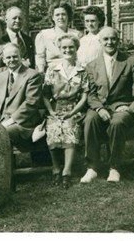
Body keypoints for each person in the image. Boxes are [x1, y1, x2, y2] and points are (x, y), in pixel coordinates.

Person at [80, 27, 134, 183]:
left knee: (117, 122)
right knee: (89, 120)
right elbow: (91, 94)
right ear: (100, 42)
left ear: (118, 41)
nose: (110, 42)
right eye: (105, 39)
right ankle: (92, 167)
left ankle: (115, 167)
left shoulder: (129, 60)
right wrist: (99, 108)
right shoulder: (92, 65)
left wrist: (132, 107)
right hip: (99, 106)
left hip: (122, 106)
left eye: (113, 39)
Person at [42, 34, 88, 189]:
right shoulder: (52, 69)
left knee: (69, 126)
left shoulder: (82, 70)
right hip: (55, 109)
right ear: (60, 50)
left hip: (74, 109)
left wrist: (73, 111)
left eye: (71, 47)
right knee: (53, 128)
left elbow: (84, 96)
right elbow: (46, 95)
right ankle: (56, 168)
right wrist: (51, 111)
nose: (68, 50)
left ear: (76, 48)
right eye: (64, 47)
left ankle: (66, 172)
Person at [0, 43, 44, 152]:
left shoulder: (32, 75)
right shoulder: (0, 77)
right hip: (1, 120)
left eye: (15, 56)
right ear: (4, 59)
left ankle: (9, 167)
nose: (12, 59)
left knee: (1, 134)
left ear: (20, 57)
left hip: (24, 124)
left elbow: (31, 103)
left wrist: (8, 122)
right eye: (8, 57)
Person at [35, 1, 82, 73]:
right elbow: (40, 57)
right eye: (57, 15)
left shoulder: (76, 35)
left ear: (68, 16)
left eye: (63, 14)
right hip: (52, 74)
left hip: (72, 72)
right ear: (53, 17)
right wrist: (41, 73)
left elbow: (80, 57)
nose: (61, 17)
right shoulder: (44, 35)